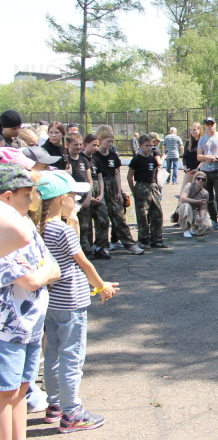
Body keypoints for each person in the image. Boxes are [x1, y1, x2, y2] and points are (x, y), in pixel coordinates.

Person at [38, 170, 118, 433]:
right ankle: (72, 413)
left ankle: (54, 405)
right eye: (73, 195)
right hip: (71, 302)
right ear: (62, 199)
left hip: (50, 302)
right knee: (72, 358)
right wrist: (102, 286)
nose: (76, 199)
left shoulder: (39, 227)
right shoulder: (63, 230)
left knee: (52, 353)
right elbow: (84, 264)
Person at [0, 164, 61, 440]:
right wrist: (41, 271)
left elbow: (54, 268)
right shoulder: (8, 234)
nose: (32, 200)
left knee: (22, 389)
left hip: (31, 326)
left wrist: (41, 270)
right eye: (26, 195)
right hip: (8, 330)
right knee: (6, 394)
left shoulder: (26, 225)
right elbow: (32, 280)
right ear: (7, 197)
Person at [94, 131, 144, 255]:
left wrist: (118, 191)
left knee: (119, 216)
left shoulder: (113, 155)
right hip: (100, 186)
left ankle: (130, 244)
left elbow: (117, 173)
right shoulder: (95, 155)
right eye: (108, 141)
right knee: (102, 219)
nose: (110, 144)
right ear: (100, 140)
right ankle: (102, 246)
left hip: (112, 186)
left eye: (112, 142)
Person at [127, 134, 167, 248]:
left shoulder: (151, 158)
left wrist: (157, 188)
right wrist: (134, 190)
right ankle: (144, 239)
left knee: (157, 213)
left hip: (152, 186)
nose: (149, 148)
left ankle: (157, 239)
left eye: (151, 145)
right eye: (146, 146)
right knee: (143, 215)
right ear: (140, 146)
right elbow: (129, 176)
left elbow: (155, 172)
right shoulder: (136, 159)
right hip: (141, 186)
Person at [197, 117, 218, 231]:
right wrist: (206, 157)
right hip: (206, 171)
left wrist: (217, 157)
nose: (210, 126)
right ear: (205, 126)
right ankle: (213, 220)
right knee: (208, 197)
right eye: (208, 124)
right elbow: (199, 156)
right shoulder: (202, 139)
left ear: (215, 124)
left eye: (212, 124)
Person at [80, 135, 111, 261]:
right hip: (85, 191)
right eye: (93, 144)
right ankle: (87, 249)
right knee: (85, 224)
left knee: (104, 219)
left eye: (97, 145)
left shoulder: (96, 158)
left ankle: (100, 247)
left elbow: (100, 177)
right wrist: (88, 195)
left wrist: (101, 193)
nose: (95, 147)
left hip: (98, 190)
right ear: (85, 144)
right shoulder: (81, 158)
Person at [178, 172, 211, 238]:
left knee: (208, 225)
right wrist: (197, 201)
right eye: (198, 178)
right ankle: (186, 229)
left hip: (196, 211)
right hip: (185, 209)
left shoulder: (205, 193)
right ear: (195, 179)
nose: (200, 180)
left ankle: (194, 227)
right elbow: (183, 199)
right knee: (186, 206)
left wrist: (202, 217)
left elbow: (204, 207)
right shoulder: (189, 186)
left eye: (203, 179)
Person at [181, 122, 202, 190]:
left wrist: (197, 169)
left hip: (199, 171)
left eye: (195, 130)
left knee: (197, 192)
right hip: (189, 171)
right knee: (184, 191)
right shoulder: (188, 142)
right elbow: (184, 156)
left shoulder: (203, 141)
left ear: (199, 130)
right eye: (191, 130)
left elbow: (204, 158)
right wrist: (185, 167)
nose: (193, 132)